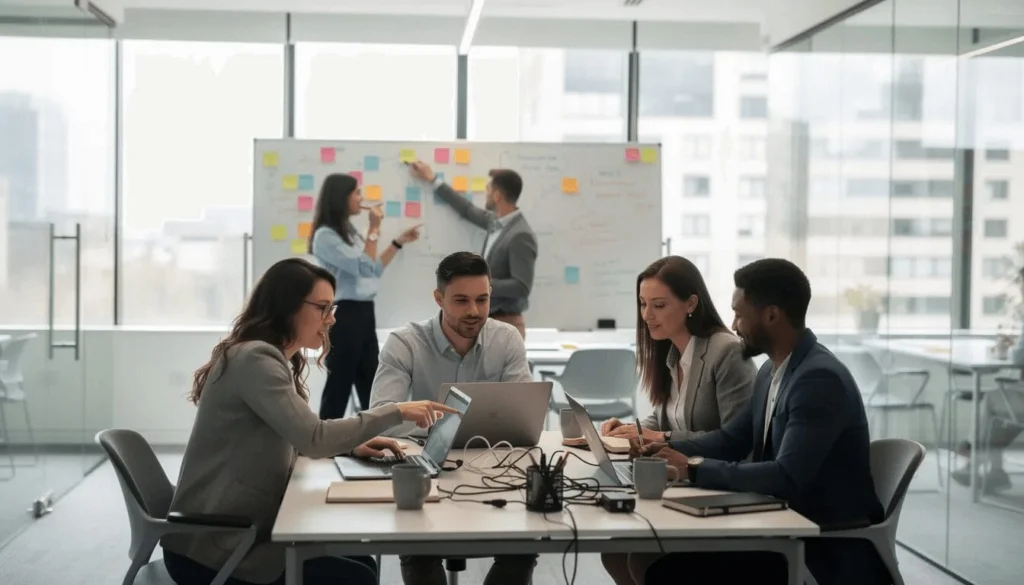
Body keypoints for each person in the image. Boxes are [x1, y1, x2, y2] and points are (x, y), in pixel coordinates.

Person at [161, 258, 458, 585]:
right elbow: (313, 438)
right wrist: (397, 410)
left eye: (332, 308)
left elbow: (296, 435)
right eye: (323, 308)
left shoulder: (264, 356)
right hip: (215, 550)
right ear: (288, 307)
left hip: (235, 535)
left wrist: (352, 446)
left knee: (361, 563)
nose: (331, 319)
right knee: (357, 577)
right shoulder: (256, 359)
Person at [630, 258, 889, 585]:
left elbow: (786, 476)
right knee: (646, 558)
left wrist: (692, 468)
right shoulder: (772, 370)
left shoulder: (818, 379)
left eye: (739, 314)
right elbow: (732, 440)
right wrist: (666, 448)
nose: (734, 325)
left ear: (771, 315)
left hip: (817, 543)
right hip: (777, 522)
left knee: (664, 572)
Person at [368, 251, 536, 585]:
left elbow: (524, 416)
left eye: (482, 299)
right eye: (461, 300)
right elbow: (381, 414)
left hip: (492, 470)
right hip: (424, 469)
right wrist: (437, 426)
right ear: (438, 298)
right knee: (416, 546)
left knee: (526, 541)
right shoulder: (405, 343)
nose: (474, 311)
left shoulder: (506, 340)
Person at [598, 256, 756, 585]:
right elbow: (665, 417)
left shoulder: (725, 352)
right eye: (643, 304)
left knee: (639, 556)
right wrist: (629, 430)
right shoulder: (673, 353)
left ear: (691, 304)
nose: (647, 315)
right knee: (613, 550)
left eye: (658, 305)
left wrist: (661, 438)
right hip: (680, 483)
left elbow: (737, 440)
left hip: (717, 486)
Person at [309, 173, 421, 419]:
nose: (361, 198)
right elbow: (363, 266)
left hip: (363, 313)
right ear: (341, 197)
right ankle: (326, 436)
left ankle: (372, 434)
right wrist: (374, 229)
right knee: (339, 385)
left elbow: (372, 270)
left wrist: (398, 243)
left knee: (371, 383)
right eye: (356, 193)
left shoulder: (348, 232)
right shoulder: (325, 236)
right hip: (345, 314)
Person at [409, 160, 537, 339]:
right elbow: (467, 209)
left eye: (488, 190)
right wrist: (433, 180)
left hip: (506, 324)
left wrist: (480, 285)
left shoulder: (520, 235)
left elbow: (521, 287)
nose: (486, 194)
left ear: (497, 196)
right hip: (487, 320)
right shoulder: (495, 222)